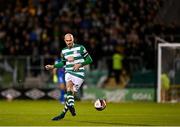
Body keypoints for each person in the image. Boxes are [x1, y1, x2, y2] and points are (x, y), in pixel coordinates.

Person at [45, 33, 93, 120]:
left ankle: (64, 112)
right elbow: (63, 63)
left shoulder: (81, 48)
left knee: (71, 95)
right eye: (67, 41)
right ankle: (68, 108)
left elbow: (89, 60)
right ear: (64, 41)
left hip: (79, 73)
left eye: (70, 40)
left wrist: (80, 64)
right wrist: (53, 66)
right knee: (69, 89)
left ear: (73, 40)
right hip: (68, 72)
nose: (69, 42)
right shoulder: (63, 51)